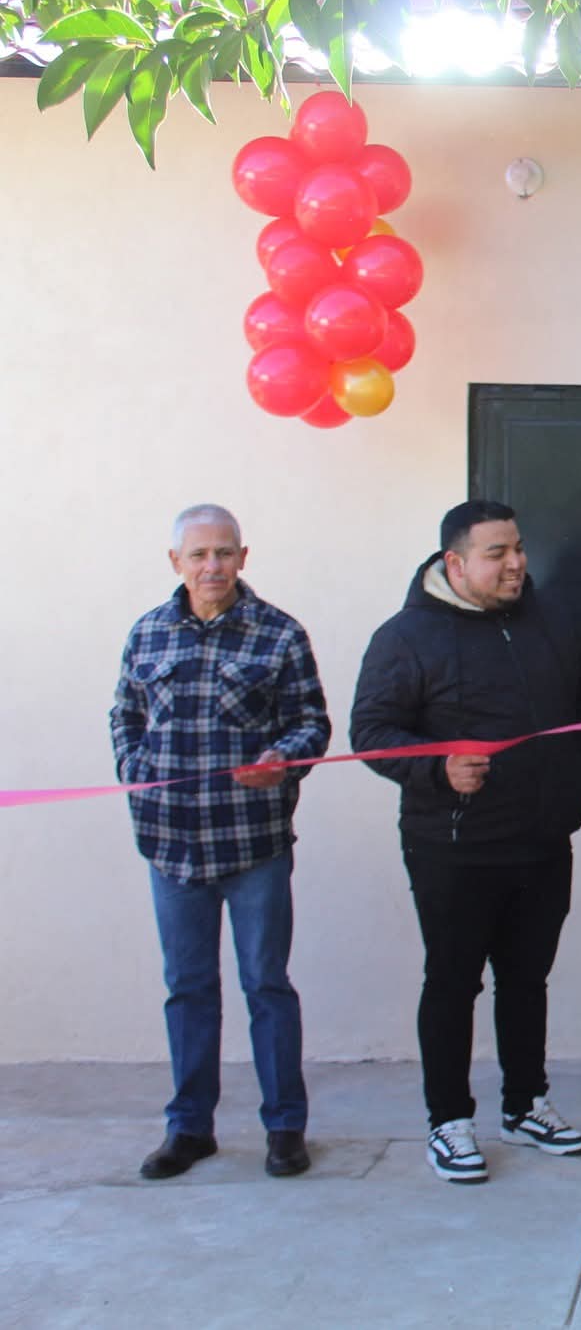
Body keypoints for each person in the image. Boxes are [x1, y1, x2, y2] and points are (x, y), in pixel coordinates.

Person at [351, 500, 581, 1184]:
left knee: (526, 980)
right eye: (497, 553)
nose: (517, 563)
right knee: (453, 981)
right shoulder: (405, 636)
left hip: (543, 840)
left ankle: (525, 1106)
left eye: (518, 548)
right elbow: (371, 732)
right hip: (452, 846)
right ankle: (449, 1120)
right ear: (456, 563)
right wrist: (437, 767)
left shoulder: (551, 620)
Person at [110, 504, 332, 1181]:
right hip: (171, 845)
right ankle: (189, 1129)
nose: (213, 566)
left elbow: (312, 723)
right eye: (199, 554)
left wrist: (281, 759)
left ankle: (285, 1128)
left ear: (243, 557)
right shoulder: (148, 632)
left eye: (224, 552)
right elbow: (125, 714)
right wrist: (135, 770)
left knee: (266, 985)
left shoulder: (279, 634)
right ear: (175, 561)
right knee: (188, 988)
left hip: (252, 843)